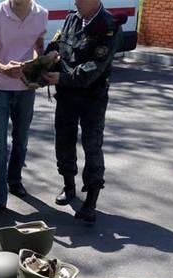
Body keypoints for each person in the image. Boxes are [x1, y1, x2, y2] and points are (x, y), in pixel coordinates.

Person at [43, 0, 122, 223]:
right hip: (67, 96)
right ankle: (69, 186)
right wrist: (48, 58)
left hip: (92, 99)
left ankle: (91, 200)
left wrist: (63, 77)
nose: (76, 1)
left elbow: (95, 68)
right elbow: (57, 45)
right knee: (64, 141)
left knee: (92, 145)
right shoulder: (71, 18)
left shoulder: (110, 26)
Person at [0, 0, 48, 219]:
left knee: (21, 139)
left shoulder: (41, 14)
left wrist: (36, 67)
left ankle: (15, 181)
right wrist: (3, 68)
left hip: (26, 89)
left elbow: (38, 46)